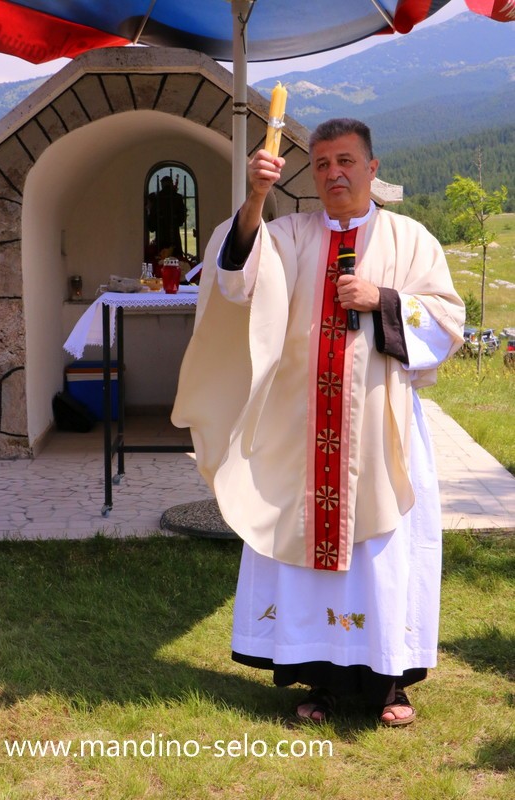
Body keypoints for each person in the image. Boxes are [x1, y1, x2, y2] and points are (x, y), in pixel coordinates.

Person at [172, 118, 465, 726]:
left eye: (346, 162)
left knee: (383, 556)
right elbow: (235, 277)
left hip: (381, 429)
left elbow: (445, 322)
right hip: (301, 430)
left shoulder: (411, 240)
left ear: (372, 168)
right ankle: (321, 684)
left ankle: (390, 685)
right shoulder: (288, 234)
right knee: (305, 555)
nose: (334, 173)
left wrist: (382, 300)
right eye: (323, 164)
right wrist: (254, 197)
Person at [147, 175, 186, 259]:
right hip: (174, 235)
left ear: (162, 184)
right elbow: (181, 219)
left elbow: (152, 224)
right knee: (177, 260)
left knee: (160, 259)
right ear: (171, 184)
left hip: (161, 236)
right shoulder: (177, 197)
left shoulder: (157, 198)